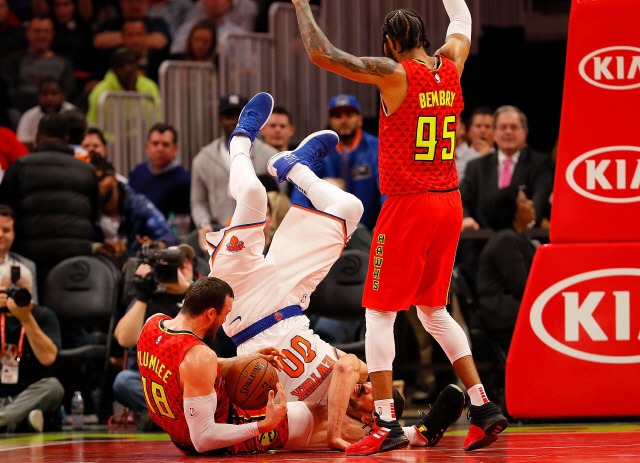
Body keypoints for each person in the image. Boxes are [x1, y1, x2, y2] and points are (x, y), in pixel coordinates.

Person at [291, 0, 508, 454]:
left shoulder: (393, 74)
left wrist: (300, 5)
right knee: (433, 311)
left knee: (379, 313)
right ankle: (483, 407)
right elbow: (463, 20)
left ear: (390, 44)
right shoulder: (451, 64)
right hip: (449, 201)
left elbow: (321, 53)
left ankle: (386, 423)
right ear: (425, 38)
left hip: (409, 205)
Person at [206, 93, 465, 451]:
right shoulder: (357, 371)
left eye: (375, 398)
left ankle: (243, 143)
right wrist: (336, 434)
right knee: (349, 206)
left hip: (244, 311)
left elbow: (400, 437)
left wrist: (421, 430)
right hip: (289, 297)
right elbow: (345, 370)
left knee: (253, 195)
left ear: (369, 418)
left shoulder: (337, 420)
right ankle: (285, 161)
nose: (375, 387)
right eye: (379, 391)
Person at [137, 276, 355, 454]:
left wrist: (242, 360)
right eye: (226, 313)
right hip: (216, 439)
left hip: (179, 430)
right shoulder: (199, 356)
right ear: (211, 313)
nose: (224, 321)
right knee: (322, 416)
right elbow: (203, 439)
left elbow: (186, 371)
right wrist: (263, 426)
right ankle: (379, 430)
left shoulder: (154, 324)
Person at [0, 114, 100, 294]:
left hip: (31, 258)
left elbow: (6, 211)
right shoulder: (87, 171)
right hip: (76, 260)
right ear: (67, 139)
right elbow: (94, 217)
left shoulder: (20, 167)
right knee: (75, 316)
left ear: (37, 137)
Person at [113, 243, 194, 426]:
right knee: (124, 381)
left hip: (188, 380)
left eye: (183, 263)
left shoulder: (199, 299)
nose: (178, 269)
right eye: (170, 266)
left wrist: (189, 290)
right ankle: (175, 415)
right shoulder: (147, 298)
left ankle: (160, 416)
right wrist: (143, 295)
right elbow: (124, 339)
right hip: (155, 380)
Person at [0, 206, 64, 433]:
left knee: (54, 387)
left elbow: (48, 358)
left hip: (29, 392)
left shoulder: (42, 315)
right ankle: (20, 419)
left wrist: (26, 317)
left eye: (23, 291)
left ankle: (7, 418)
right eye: (12, 291)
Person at [292, 95, 382, 231]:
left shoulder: (376, 148)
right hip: (328, 230)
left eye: (349, 115)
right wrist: (299, 224)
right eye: (337, 116)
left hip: (369, 231)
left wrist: (384, 224)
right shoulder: (319, 150)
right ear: (331, 121)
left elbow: (386, 190)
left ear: (360, 120)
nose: (343, 120)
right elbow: (301, 187)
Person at [191, 94, 278, 233]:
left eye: (239, 116)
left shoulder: (269, 155)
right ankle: (240, 144)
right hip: (219, 230)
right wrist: (205, 225)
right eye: (229, 116)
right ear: (220, 119)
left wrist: (271, 225)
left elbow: (279, 199)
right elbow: (198, 202)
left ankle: (240, 144)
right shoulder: (203, 159)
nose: (234, 121)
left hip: (259, 228)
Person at [460, 105, 554, 230]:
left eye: (514, 127)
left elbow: (539, 199)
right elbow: (461, 199)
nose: (508, 132)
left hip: (524, 236)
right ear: (494, 133)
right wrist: (466, 218)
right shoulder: (475, 166)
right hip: (481, 240)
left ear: (525, 133)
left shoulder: (541, 164)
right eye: (503, 127)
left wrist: (529, 223)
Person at [476, 186, 537, 348]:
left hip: (509, 306)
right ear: (514, 211)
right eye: (524, 201)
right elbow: (521, 287)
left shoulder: (516, 237)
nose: (531, 203)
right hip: (501, 310)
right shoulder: (506, 240)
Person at [90, 155, 179, 257]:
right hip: (100, 269)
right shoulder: (86, 208)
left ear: (114, 179)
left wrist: (155, 246)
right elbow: (75, 243)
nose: (94, 185)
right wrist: (97, 247)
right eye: (90, 180)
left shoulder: (137, 205)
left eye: (98, 178)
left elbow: (169, 236)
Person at [0, 16, 76, 113]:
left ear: (52, 34)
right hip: (20, 110)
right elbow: (7, 90)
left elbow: (69, 92)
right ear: (27, 33)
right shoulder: (13, 59)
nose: (41, 36)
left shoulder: (64, 62)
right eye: (37, 31)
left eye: (46, 31)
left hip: (56, 113)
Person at [128, 123, 191, 219]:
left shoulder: (184, 181)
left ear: (175, 149)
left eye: (165, 144)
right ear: (147, 147)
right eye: (155, 143)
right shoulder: (139, 171)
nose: (159, 149)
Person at [86, 48, 162, 125]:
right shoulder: (101, 92)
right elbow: (92, 123)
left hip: (143, 136)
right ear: (113, 70)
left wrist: (133, 92)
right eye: (121, 66)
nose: (128, 69)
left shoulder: (149, 87)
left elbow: (157, 119)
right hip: (110, 137)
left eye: (131, 64)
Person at [16, 78, 79, 150]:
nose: (49, 98)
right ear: (37, 96)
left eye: (54, 93)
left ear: (63, 95)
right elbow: (24, 148)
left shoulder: (75, 115)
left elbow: (79, 145)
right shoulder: (28, 116)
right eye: (44, 94)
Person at [170, 0, 244, 56]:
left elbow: (245, 64)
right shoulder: (187, 28)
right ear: (204, 2)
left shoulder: (238, 34)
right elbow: (176, 53)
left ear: (229, 4)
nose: (215, 1)